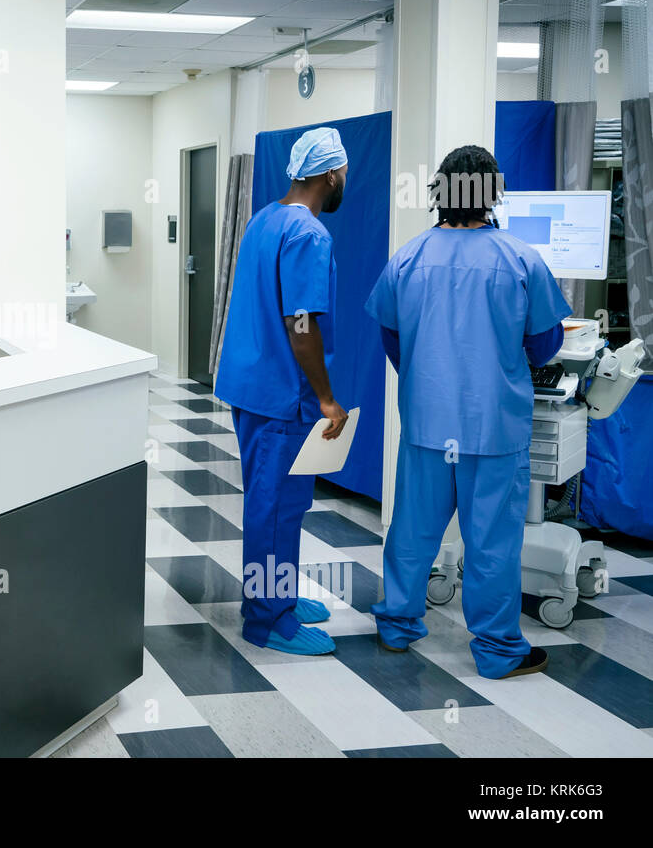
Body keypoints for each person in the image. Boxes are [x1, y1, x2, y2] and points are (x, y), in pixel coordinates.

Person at [365, 144, 570, 679]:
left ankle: (397, 625)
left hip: (428, 422)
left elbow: (392, 336)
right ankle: (499, 651)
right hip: (494, 427)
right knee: (493, 542)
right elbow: (546, 344)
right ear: (493, 194)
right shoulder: (520, 259)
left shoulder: (408, 257)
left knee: (412, 530)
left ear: (440, 192)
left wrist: (428, 372)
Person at [214, 126, 350, 656]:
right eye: (343, 175)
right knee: (276, 508)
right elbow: (301, 324)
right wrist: (325, 398)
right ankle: (268, 620)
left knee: (272, 503)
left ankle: (279, 596)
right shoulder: (310, 235)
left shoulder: (265, 219)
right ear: (331, 174)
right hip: (281, 394)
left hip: (251, 385)